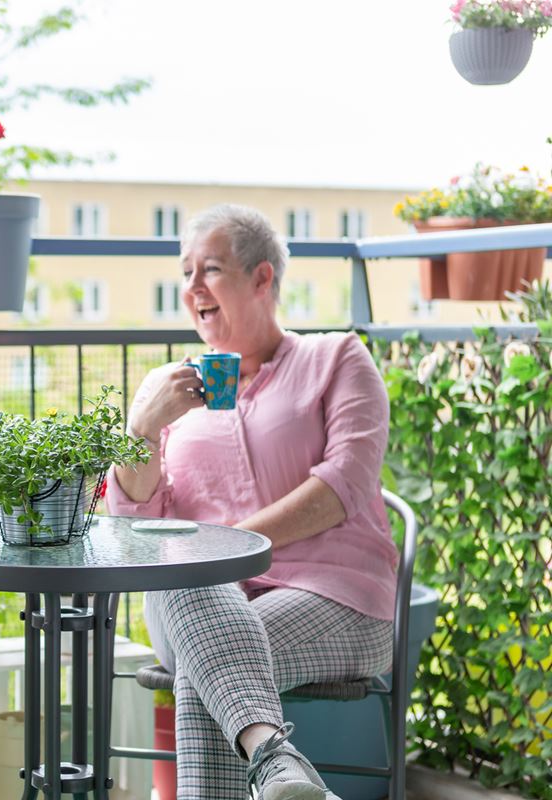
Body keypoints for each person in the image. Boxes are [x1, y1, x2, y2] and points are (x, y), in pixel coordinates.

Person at [108, 204, 397, 800]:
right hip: (194, 597)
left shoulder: (336, 359)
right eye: (186, 272)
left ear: (262, 279)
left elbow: (346, 481)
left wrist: (232, 545)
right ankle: (274, 761)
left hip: (333, 593)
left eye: (209, 269)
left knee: (205, 669)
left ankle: (272, 761)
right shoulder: (163, 390)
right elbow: (136, 525)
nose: (191, 289)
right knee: (192, 589)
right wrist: (142, 427)